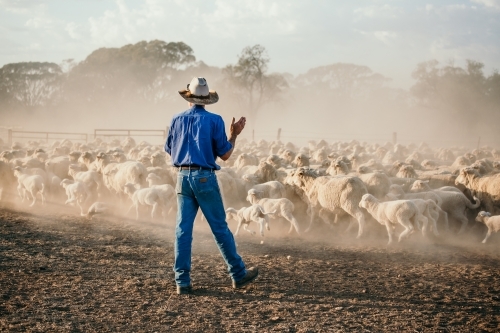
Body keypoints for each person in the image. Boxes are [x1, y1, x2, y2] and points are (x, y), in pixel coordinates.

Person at [164, 77, 259, 295]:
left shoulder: (176, 119)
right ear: (206, 99)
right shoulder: (215, 120)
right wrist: (234, 135)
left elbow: (169, 149)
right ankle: (237, 274)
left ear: (189, 97)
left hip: (182, 177)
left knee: (182, 230)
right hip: (204, 177)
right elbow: (225, 154)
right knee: (219, 227)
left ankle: (182, 281)